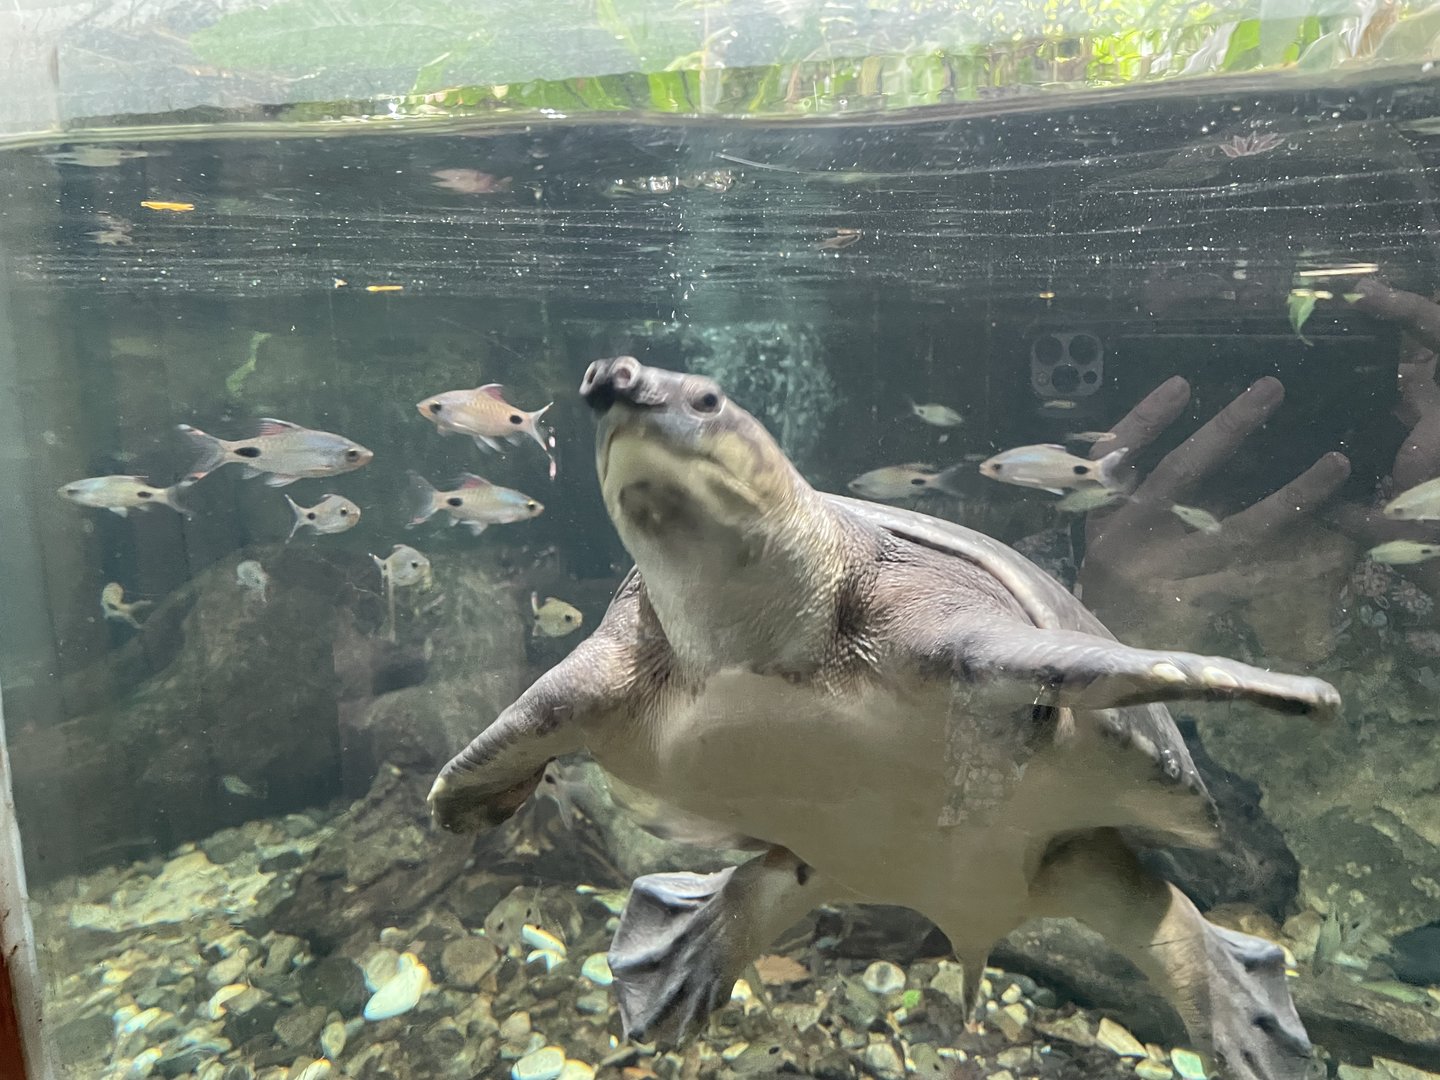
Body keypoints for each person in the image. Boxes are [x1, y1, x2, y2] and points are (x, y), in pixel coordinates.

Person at [1074, 277, 1440, 662]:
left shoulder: (1419, 523)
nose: (1263, 386)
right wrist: (1097, 625)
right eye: (1204, 329)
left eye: (1330, 330)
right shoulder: (1028, 576)